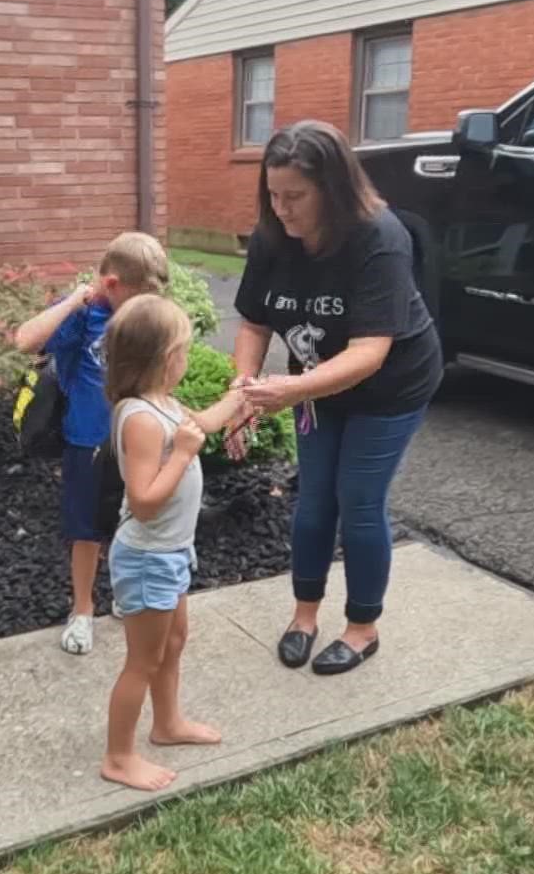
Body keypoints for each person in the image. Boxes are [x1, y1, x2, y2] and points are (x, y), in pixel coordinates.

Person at [231, 120, 444, 677]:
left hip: (390, 386)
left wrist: (291, 388)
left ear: (333, 189)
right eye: (273, 195)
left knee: (358, 499)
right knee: (314, 498)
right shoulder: (272, 236)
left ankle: (362, 628)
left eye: (295, 196)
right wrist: (244, 389)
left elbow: (370, 352)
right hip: (318, 384)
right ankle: (304, 617)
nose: (282, 208)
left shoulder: (379, 237)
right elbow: (253, 323)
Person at [99, 294, 250, 790]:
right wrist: (183, 455)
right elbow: (143, 500)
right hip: (147, 556)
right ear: (167, 359)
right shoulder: (140, 416)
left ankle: (167, 724)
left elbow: (203, 423)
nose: (188, 357)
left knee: (175, 642)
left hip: (171, 551)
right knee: (142, 659)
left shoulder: (163, 402)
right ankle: (118, 757)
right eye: (186, 349)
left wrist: (244, 392)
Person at [13, 233, 172, 655]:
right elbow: (25, 340)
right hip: (88, 444)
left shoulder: (142, 315)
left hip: (137, 440)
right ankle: (82, 609)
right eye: (134, 297)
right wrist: (75, 300)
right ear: (112, 284)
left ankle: (123, 593)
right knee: (86, 533)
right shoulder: (85, 316)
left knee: (129, 524)